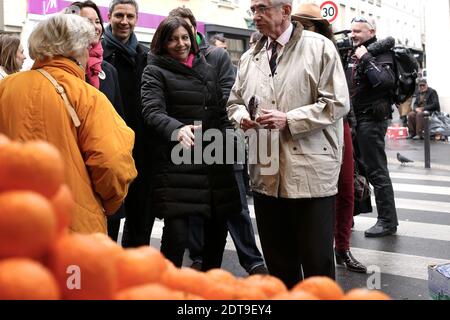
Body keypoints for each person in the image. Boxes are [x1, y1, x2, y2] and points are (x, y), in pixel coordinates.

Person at [227, 0, 349, 288]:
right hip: (266, 172)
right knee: (280, 266)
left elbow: (337, 102)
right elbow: (234, 102)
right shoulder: (250, 57)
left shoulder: (318, 47)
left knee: (317, 266)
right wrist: (242, 116)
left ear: (285, 11)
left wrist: (290, 119)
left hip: (310, 175)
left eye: (262, 8)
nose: (255, 15)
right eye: (253, 9)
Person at [0, 14, 137, 234]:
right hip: (71, 226)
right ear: (78, 50)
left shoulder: (6, 87)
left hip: (10, 221)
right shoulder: (88, 97)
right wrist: (108, 205)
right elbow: (112, 163)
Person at [169, 7, 268, 275]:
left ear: (194, 30)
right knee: (196, 204)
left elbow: (227, 95)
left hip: (219, 141)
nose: (183, 38)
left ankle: (252, 260)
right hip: (189, 142)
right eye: (176, 31)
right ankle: (200, 256)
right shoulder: (170, 60)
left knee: (234, 205)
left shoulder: (216, 55)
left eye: (187, 30)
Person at [141, 16, 241, 270]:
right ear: (162, 43)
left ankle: (210, 288)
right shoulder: (154, 70)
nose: (180, 44)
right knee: (176, 237)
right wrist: (177, 129)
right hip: (178, 164)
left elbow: (221, 111)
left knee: (217, 235)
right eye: (173, 39)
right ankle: (168, 288)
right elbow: (152, 111)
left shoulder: (206, 68)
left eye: (185, 37)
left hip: (213, 162)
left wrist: (231, 137)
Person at [292, 3, 366, 273]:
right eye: (299, 24)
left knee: (346, 189)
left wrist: (352, 127)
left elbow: (345, 95)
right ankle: (310, 249)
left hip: (339, 125)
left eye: (307, 25)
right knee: (308, 194)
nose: (303, 30)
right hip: (304, 127)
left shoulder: (333, 51)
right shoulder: (290, 53)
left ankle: (342, 248)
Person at [66, 0, 125, 241]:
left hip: (105, 170)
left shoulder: (108, 71)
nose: (95, 26)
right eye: (86, 21)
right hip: (75, 172)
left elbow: (119, 122)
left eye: (97, 21)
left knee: (107, 246)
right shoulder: (64, 70)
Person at [103, 0, 152, 247]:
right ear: (109, 16)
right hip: (107, 146)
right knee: (109, 217)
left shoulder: (145, 56)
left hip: (140, 146)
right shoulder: (98, 54)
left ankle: (134, 275)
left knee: (140, 216)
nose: (124, 21)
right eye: (119, 15)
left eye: (130, 16)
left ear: (137, 19)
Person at [345, 16, 398, 237]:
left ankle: (387, 221)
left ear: (371, 31)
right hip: (356, 119)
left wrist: (366, 57)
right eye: (352, 31)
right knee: (355, 170)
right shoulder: (354, 52)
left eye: (358, 31)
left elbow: (385, 81)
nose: (353, 34)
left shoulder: (381, 54)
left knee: (376, 171)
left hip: (372, 120)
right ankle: (350, 217)